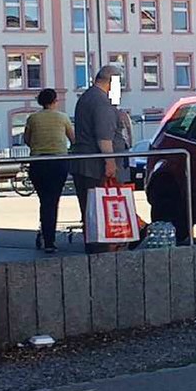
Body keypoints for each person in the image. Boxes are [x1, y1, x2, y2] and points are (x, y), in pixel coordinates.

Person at [70, 65, 127, 254]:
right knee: (102, 210)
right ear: (111, 82)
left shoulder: (87, 97)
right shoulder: (102, 102)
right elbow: (104, 137)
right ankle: (104, 248)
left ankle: (96, 246)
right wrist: (110, 162)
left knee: (90, 210)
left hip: (85, 164)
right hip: (96, 167)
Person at [23, 88, 74, 254]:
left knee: (45, 200)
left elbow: (27, 139)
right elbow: (73, 139)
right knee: (53, 200)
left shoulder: (33, 118)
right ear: (55, 101)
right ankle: (49, 240)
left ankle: (46, 235)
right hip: (58, 162)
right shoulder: (62, 117)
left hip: (38, 163)